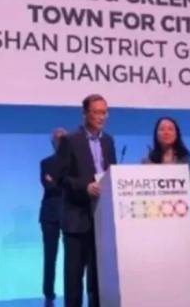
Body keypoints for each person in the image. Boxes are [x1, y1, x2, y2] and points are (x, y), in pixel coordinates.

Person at [57, 94, 116, 307]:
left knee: (99, 278)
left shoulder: (108, 141)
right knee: (74, 278)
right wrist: (85, 187)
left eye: (105, 112)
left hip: (102, 219)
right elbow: (61, 177)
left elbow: (112, 173)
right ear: (85, 114)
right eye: (97, 112)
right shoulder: (70, 140)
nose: (102, 117)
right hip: (77, 219)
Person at [39, 127, 67, 305]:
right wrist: (64, 184)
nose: (61, 142)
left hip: (71, 214)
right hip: (49, 215)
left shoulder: (75, 163)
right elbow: (49, 186)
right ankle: (48, 293)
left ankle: (73, 292)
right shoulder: (46, 163)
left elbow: (72, 186)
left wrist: (57, 182)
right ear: (52, 143)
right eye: (57, 139)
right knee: (50, 256)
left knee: (73, 258)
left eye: (64, 139)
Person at [143, 117, 190, 182]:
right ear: (156, 134)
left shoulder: (185, 161)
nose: (166, 132)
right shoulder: (147, 161)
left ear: (176, 134)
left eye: (170, 129)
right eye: (162, 129)